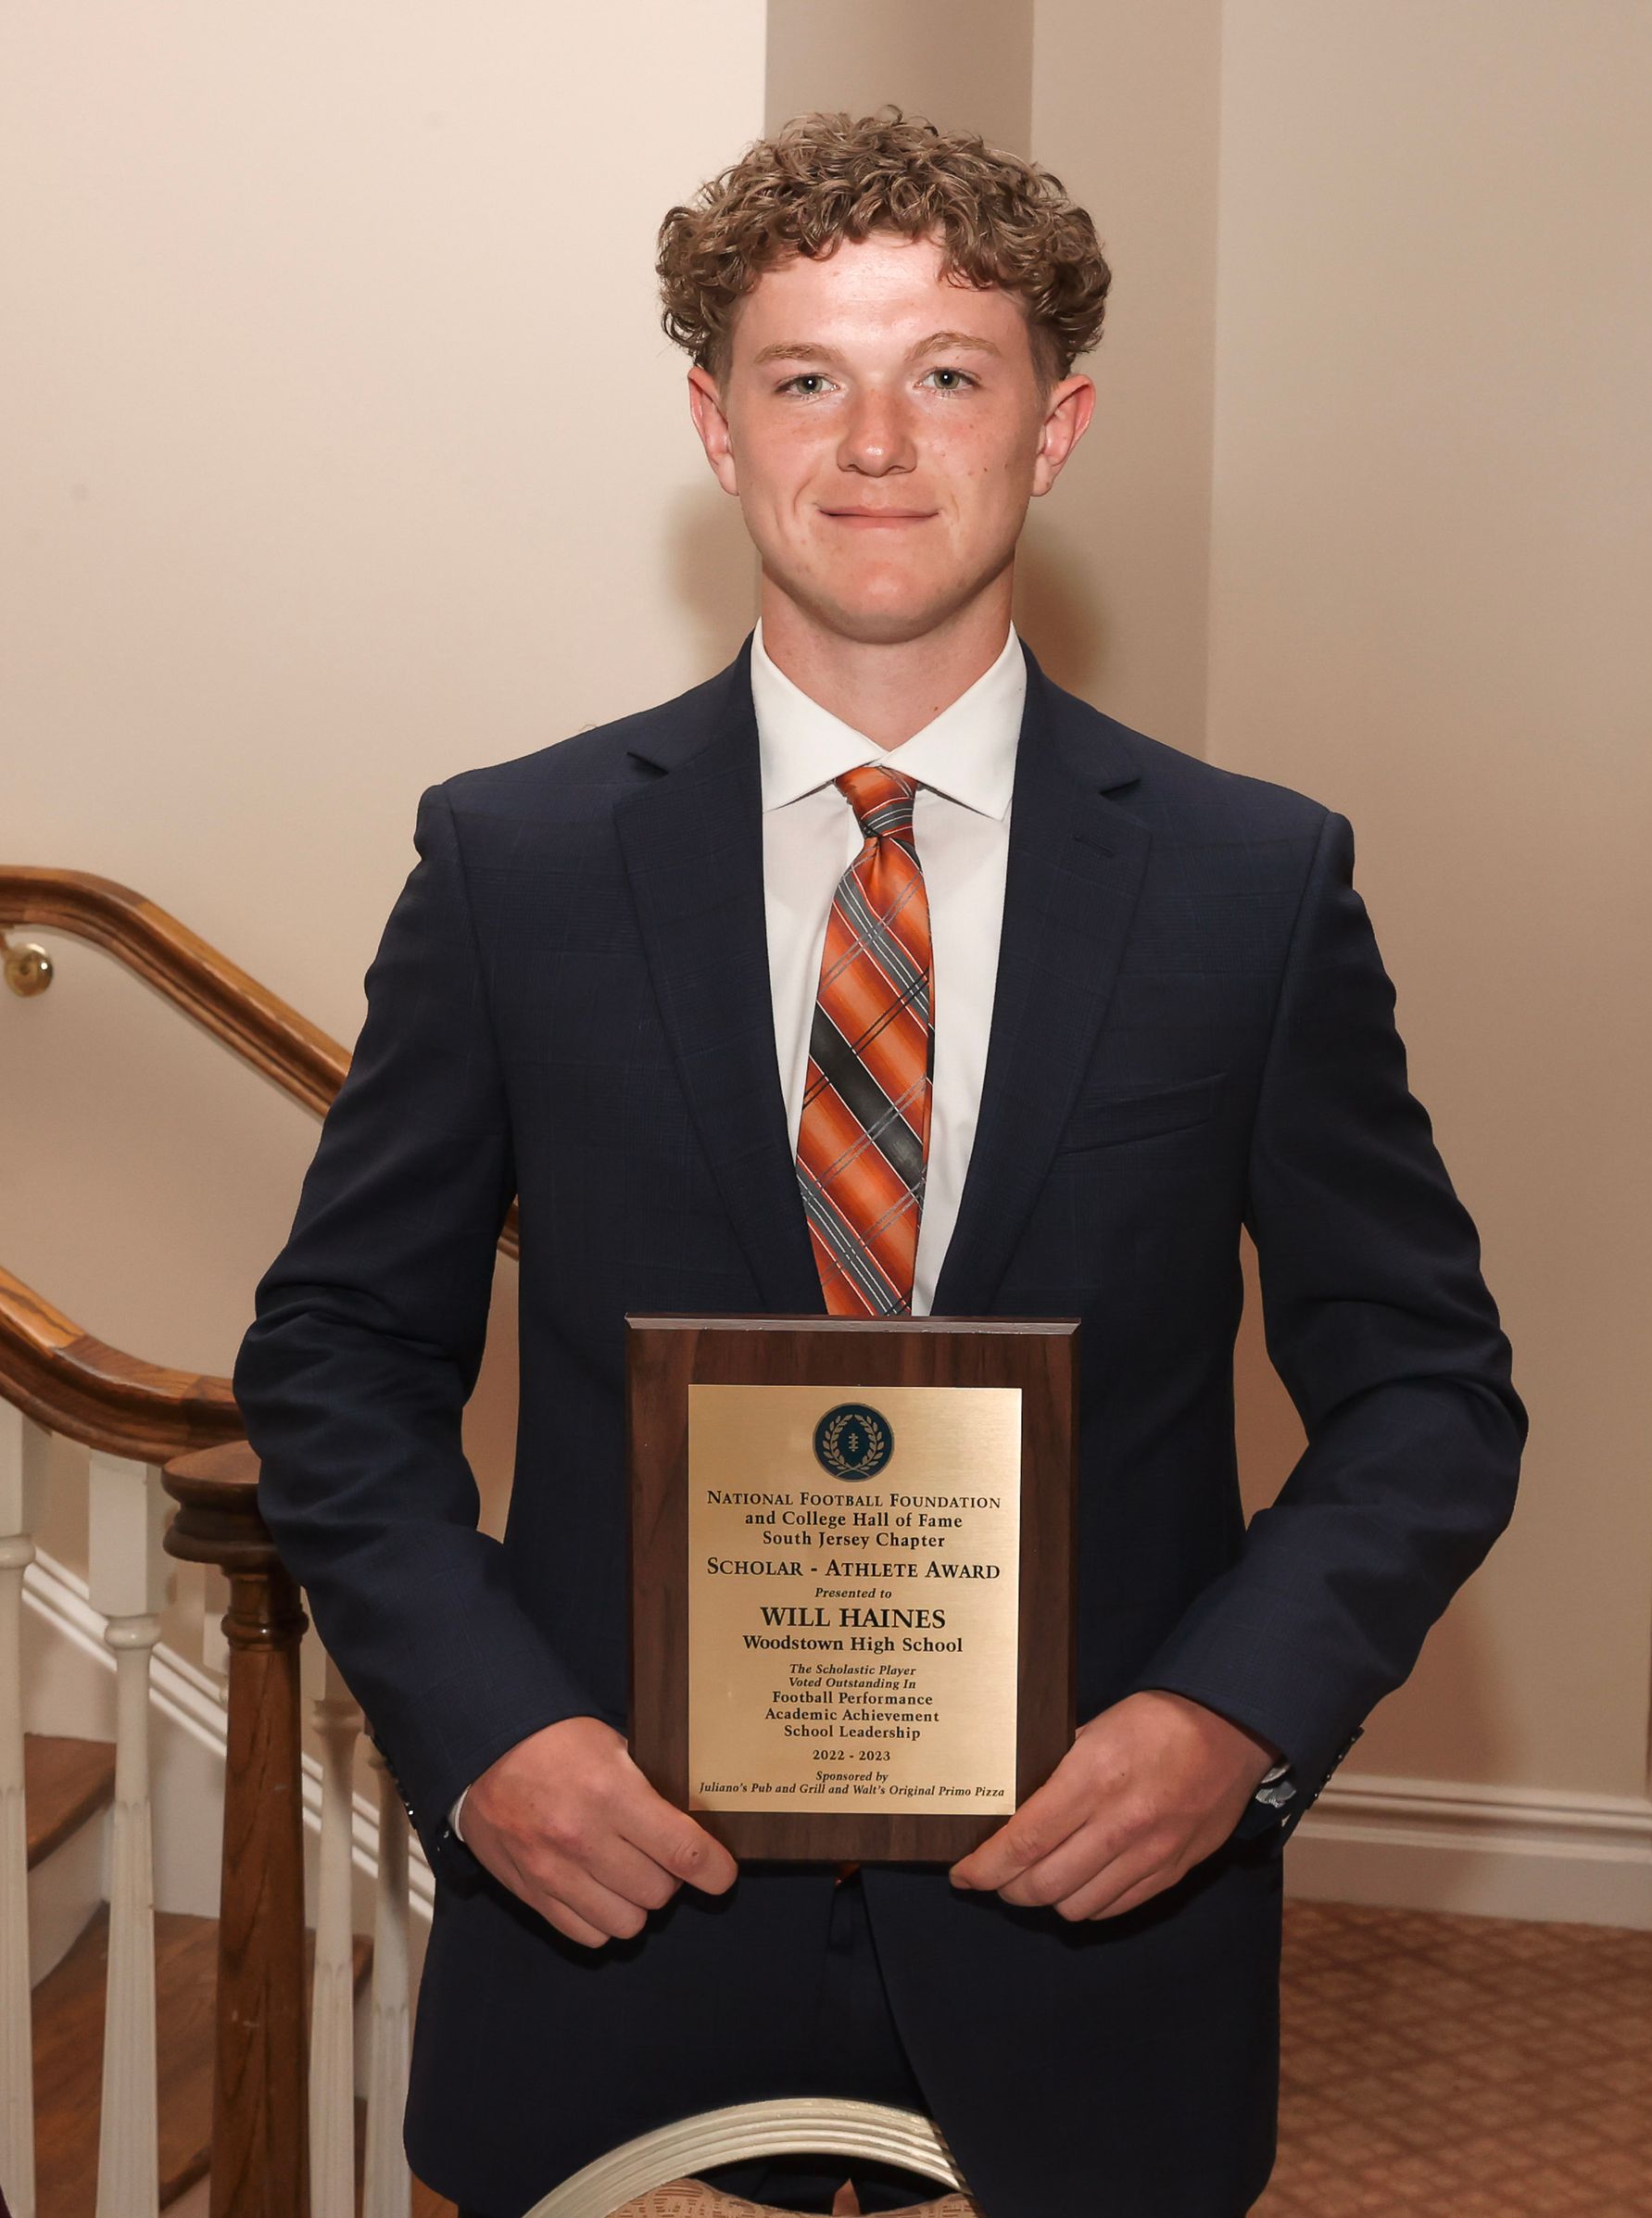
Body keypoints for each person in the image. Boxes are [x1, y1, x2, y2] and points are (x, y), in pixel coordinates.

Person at [233, 107, 1527, 2218]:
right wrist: (487, 1739)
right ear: (716, 428)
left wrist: (1231, 1724)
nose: (875, 443)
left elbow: (1429, 1394)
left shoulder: (1251, 883)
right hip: (619, 1920)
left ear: (1057, 423)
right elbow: (335, 1358)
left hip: (1091, 1939)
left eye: (948, 373)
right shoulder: (513, 863)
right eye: (804, 376)